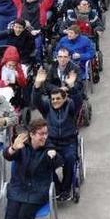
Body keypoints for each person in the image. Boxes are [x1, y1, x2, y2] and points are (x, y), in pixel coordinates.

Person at [0, 118, 63, 219]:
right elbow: (7, 156)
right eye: (41, 134)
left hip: (38, 190)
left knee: (24, 215)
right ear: (32, 134)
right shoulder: (22, 146)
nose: (44, 137)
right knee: (11, 213)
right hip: (19, 187)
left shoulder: (48, 148)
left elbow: (59, 162)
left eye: (46, 133)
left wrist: (54, 156)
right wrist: (13, 148)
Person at [31, 68, 81, 201]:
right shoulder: (47, 107)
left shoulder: (70, 107)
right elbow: (36, 102)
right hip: (51, 142)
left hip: (68, 141)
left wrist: (72, 86)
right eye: (53, 99)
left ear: (65, 99)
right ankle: (57, 187)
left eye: (58, 98)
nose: (55, 101)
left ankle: (65, 189)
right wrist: (37, 85)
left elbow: (78, 101)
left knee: (70, 159)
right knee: (46, 159)